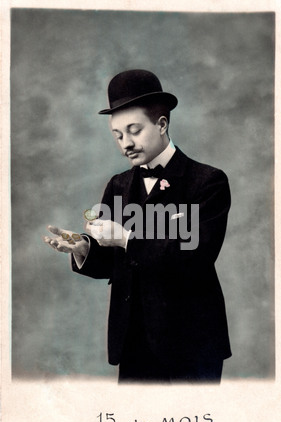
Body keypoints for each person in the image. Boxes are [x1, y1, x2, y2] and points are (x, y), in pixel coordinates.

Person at [43, 69, 232, 384]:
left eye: (134, 130)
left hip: (191, 343)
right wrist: (84, 250)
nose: (125, 143)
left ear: (161, 124)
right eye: (117, 134)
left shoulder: (208, 182)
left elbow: (195, 257)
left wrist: (128, 239)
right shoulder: (118, 185)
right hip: (132, 342)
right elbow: (117, 262)